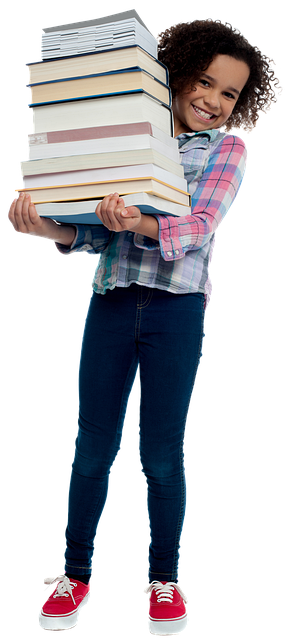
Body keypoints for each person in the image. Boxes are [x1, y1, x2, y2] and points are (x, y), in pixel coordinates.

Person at [7, 17, 282, 636]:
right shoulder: (132, 136)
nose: (211, 100)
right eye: (204, 82)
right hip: (110, 302)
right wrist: (43, 225)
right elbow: (93, 233)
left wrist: (135, 222)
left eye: (229, 94)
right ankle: (74, 573)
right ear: (178, 74)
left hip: (175, 311)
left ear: (242, 105)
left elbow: (197, 228)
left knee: (160, 450)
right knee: (93, 447)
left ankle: (165, 580)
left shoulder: (226, 150)